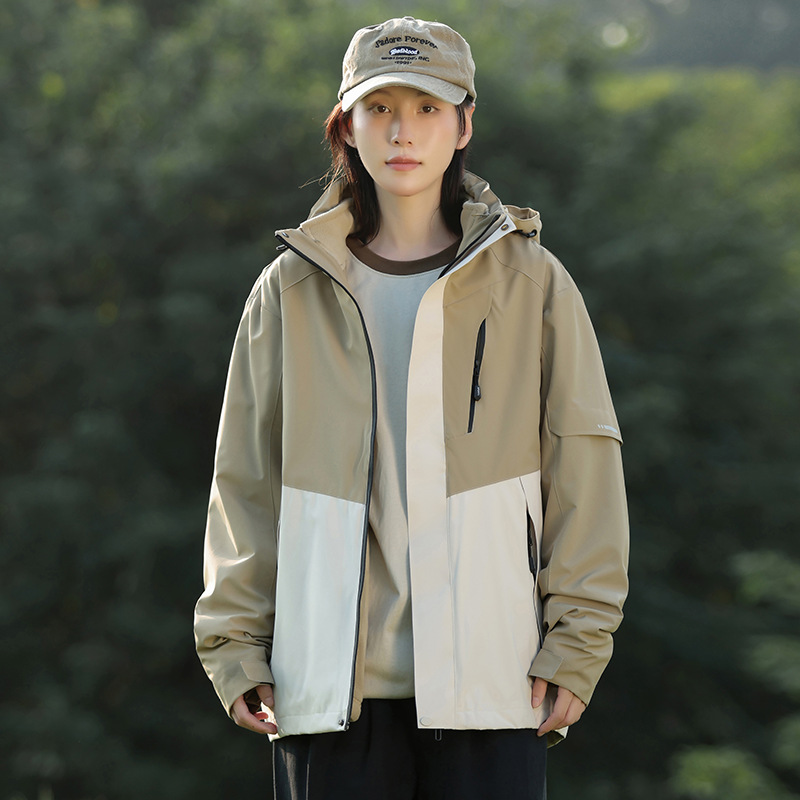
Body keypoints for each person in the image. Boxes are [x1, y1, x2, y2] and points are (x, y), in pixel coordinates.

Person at [194, 16, 629, 800]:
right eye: (380, 108)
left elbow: (584, 464)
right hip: (323, 692)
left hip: (495, 685)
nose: (403, 131)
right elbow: (244, 481)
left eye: (428, 108)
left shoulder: (531, 281)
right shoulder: (289, 291)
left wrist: (578, 643)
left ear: (464, 125)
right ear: (347, 126)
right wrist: (234, 645)